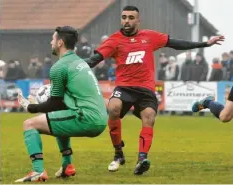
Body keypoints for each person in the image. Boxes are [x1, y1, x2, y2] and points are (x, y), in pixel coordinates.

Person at [85, 5, 224, 175]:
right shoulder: (114, 40)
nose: (126, 21)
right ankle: (118, 152)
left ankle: (142, 159)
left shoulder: (150, 36)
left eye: (130, 17)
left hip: (145, 88)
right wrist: (73, 66)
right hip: (124, 87)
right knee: (113, 108)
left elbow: (176, 43)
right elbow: (94, 59)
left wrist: (204, 43)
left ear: (138, 20)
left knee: (149, 117)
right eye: (124, 17)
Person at [16, 26, 107, 182]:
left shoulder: (59, 67)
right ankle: (67, 166)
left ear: (60, 43)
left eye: (53, 39)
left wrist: (31, 107)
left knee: (29, 124)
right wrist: (39, 105)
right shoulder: (80, 62)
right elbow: (59, 105)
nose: (51, 42)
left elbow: (54, 103)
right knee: (59, 119)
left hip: (86, 118)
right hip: (101, 118)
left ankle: (38, 171)